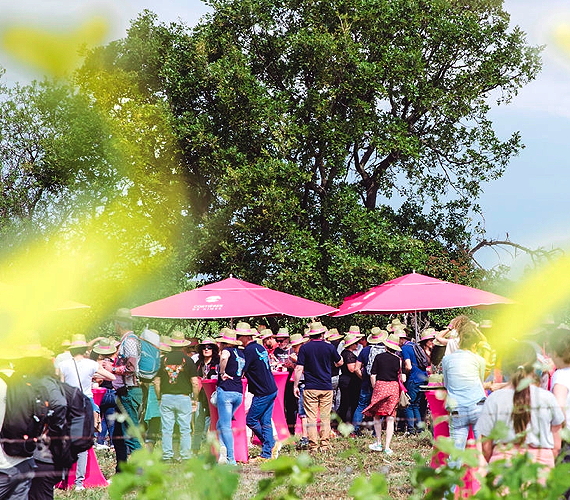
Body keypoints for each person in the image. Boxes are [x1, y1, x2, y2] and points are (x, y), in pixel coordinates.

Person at [476, 341, 564, 475]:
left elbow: (486, 445)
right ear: (535, 366)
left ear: (507, 367)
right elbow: (557, 444)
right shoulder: (548, 398)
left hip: (503, 466)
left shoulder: (494, 399)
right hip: (541, 466)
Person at [58, 334, 115, 490]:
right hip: (86, 404)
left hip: (69, 404)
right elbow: (111, 376)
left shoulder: (63, 364)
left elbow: (61, 386)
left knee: (66, 441)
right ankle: (79, 482)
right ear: (84, 350)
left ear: (71, 350)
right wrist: (92, 375)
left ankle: (64, 479)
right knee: (83, 443)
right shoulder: (91, 364)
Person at [293, 322, 343, 451]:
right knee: (325, 417)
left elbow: (299, 368)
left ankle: (313, 445)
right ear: (322, 334)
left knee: (311, 417)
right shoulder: (329, 347)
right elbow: (340, 362)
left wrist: (295, 385)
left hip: (310, 386)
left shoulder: (304, 348)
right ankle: (324, 445)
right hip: (326, 386)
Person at [154, 331, 200, 462]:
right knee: (185, 428)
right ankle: (185, 456)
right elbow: (195, 382)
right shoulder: (189, 361)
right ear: (183, 345)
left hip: (167, 397)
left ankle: (167, 456)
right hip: (183, 397)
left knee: (166, 428)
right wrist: (195, 398)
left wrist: (158, 397)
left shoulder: (163, 360)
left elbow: (156, 382)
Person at [236, 324, 279, 462]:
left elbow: (241, 370)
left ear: (245, 337)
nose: (237, 338)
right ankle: (267, 454)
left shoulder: (248, 351)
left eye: (238, 336)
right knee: (265, 422)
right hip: (271, 389)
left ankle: (270, 444)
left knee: (251, 420)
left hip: (262, 392)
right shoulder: (260, 347)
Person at [442, 322, 486, 452]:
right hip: (477, 405)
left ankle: (453, 470)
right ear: (474, 344)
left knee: (456, 452)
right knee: (484, 450)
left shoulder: (447, 359)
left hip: (457, 408)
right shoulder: (479, 360)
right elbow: (481, 382)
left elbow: (446, 384)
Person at [110, 308, 142, 472]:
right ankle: (121, 470)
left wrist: (112, 369)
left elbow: (130, 368)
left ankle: (142, 473)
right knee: (118, 435)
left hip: (129, 392)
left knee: (130, 433)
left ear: (118, 323)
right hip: (124, 392)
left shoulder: (129, 341)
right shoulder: (127, 340)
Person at [364, 333, 404, 455]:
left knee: (377, 415)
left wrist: (375, 387)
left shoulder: (378, 357)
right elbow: (400, 376)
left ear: (386, 346)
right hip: (393, 387)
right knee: (390, 417)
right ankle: (387, 447)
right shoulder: (399, 360)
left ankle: (378, 442)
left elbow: (373, 374)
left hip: (380, 385)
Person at [215, 328, 245, 465]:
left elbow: (224, 357)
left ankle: (230, 458)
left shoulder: (226, 351)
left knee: (225, 426)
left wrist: (222, 372)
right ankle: (223, 450)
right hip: (238, 392)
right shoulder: (241, 353)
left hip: (226, 391)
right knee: (220, 424)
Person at [352, 328, 387, 436]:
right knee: (379, 407)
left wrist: (363, 377)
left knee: (361, 405)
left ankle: (355, 429)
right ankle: (376, 432)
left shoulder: (365, 350)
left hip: (367, 382)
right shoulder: (386, 350)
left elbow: (356, 368)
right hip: (382, 383)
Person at [192, 337, 219, 454]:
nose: (206, 349)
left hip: (213, 396)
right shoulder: (198, 363)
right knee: (198, 422)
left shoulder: (217, 362)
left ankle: (209, 448)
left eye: (209, 347)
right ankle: (195, 448)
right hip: (199, 396)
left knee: (210, 422)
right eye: (204, 347)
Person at [91, 338, 118, 450]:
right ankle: (112, 443)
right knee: (110, 419)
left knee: (97, 417)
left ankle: (98, 440)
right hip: (112, 392)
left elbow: (96, 380)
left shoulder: (95, 363)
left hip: (99, 393)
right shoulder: (113, 363)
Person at [401, 330, 429, 434]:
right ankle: (420, 428)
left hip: (414, 378)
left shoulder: (405, 348)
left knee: (408, 404)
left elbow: (408, 366)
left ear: (401, 339)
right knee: (416, 404)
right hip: (423, 377)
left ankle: (411, 429)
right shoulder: (415, 345)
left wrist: (404, 373)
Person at [337, 332, 363, 424]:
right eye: (356, 343)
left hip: (346, 380)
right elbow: (351, 369)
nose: (357, 344)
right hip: (349, 381)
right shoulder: (349, 355)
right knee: (349, 403)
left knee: (346, 403)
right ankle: (347, 423)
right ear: (351, 345)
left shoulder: (345, 353)